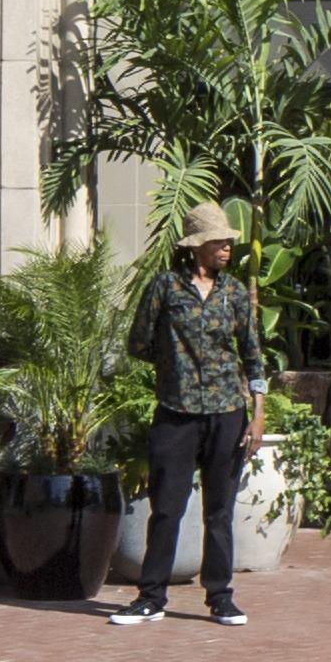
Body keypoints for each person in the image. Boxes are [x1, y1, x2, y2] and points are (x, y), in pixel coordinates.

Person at [110, 202, 270, 630]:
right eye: (218, 242)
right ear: (197, 246)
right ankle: (150, 597)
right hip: (176, 413)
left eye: (227, 243)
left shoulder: (234, 292)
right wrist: (174, 366)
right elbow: (138, 343)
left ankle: (220, 597)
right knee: (166, 508)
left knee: (219, 511)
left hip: (227, 413)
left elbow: (252, 355)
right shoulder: (165, 288)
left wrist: (258, 413)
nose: (226, 249)